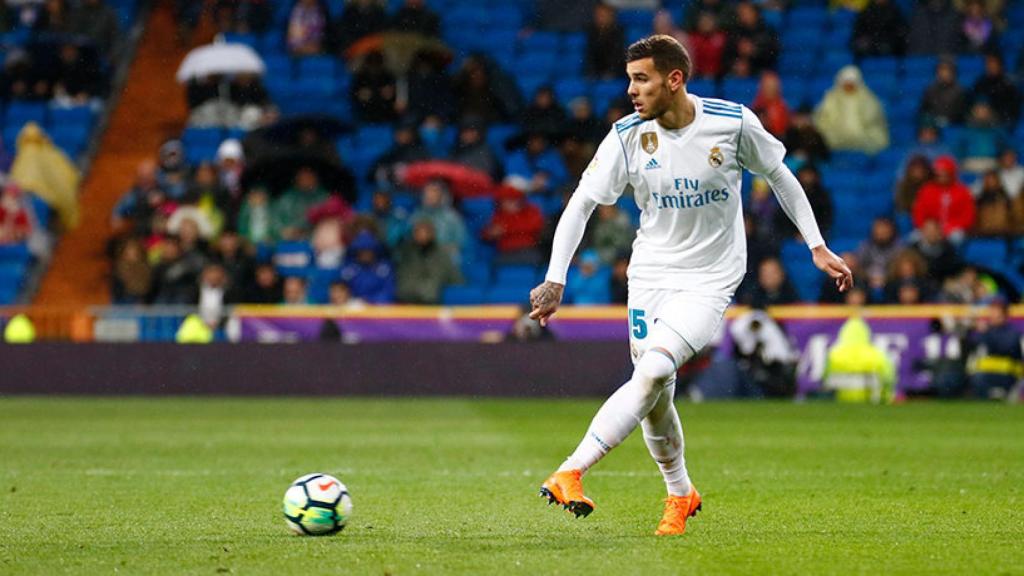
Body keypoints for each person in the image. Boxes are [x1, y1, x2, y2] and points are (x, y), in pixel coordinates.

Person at [529, 35, 851, 535]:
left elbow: (781, 175)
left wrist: (816, 245)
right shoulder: (627, 135)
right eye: (630, 78)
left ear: (674, 79)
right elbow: (582, 203)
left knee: (654, 368)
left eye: (642, 79)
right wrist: (555, 277)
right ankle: (680, 494)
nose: (631, 89)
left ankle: (572, 468)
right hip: (650, 275)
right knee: (655, 393)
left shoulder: (732, 122)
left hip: (710, 278)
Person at [813, 66, 889, 155]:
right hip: (836, 136)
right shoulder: (831, 98)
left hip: (863, 135)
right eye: (846, 82)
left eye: (851, 82)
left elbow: (873, 118)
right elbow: (823, 118)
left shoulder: (868, 98)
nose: (849, 85)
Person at [822, 316, 896, 403]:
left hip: (841, 403)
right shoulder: (877, 355)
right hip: (870, 404)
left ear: (843, 333)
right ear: (866, 333)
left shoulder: (833, 354)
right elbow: (888, 379)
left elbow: (825, 378)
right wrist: (885, 399)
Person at [965, 299, 1023, 399]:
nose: (992, 315)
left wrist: (986, 333)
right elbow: (971, 346)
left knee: (980, 379)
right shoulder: (986, 331)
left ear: (1004, 315)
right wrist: (970, 330)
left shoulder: (1012, 332)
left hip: (1007, 374)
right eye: (991, 312)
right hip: (984, 373)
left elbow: (1005, 348)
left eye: (996, 313)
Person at [395, 219, 462, 304]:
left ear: (432, 234)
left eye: (425, 232)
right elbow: (403, 280)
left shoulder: (442, 254)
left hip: (431, 302)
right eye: (419, 233)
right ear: (413, 234)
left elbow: (454, 277)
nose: (422, 236)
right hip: (407, 302)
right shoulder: (406, 253)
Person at [912, 155, 976, 241]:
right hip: (929, 229)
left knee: (956, 238)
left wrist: (949, 227)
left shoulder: (962, 191)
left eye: (945, 174)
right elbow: (918, 213)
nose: (942, 177)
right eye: (939, 174)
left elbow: (968, 217)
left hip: (953, 229)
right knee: (913, 239)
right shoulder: (927, 190)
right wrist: (928, 227)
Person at [919, 59, 968, 127]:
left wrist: (948, 120)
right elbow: (923, 111)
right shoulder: (929, 91)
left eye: (947, 71)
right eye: (941, 70)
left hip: (954, 126)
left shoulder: (961, 91)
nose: (944, 74)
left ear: (953, 73)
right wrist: (933, 120)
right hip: (933, 127)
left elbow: (963, 113)